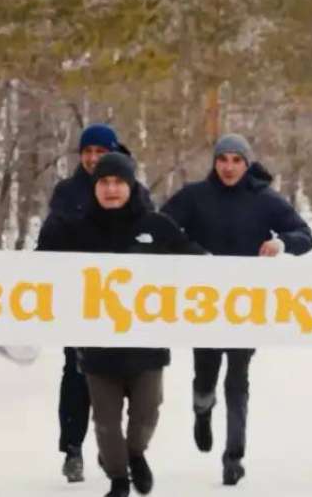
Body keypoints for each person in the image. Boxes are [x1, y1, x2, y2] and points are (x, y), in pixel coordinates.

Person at [38, 153, 202, 497]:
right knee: (106, 423)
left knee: (146, 415)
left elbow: (193, 260)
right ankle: (118, 479)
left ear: (131, 185)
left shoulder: (156, 226)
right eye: (104, 182)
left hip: (147, 345)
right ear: (95, 187)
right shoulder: (76, 228)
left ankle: (135, 455)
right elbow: (44, 266)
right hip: (97, 347)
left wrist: (215, 265)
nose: (111, 189)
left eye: (118, 182)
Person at [161, 134, 312, 486]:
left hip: (246, 306)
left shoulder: (264, 199)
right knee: (205, 375)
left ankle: (234, 456)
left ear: (247, 164)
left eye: (236, 160)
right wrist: (192, 252)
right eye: (223, 159)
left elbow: (305, 235)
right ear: (214, 162)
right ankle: (202, 411)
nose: (229, 167)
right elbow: (160, 227)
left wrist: (281, 242)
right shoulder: (195, 196)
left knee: (237, 378)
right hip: (203, 304)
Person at [46, 123, 153, 483]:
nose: (93, 158)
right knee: (77, 373)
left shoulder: (134, 190)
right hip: (78, 297)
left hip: (122, 301)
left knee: (118, 377)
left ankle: (113, 450)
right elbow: (50, 243)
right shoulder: (67, 192)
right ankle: (72, 448)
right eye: (87, 152)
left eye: (100, 152)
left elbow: (153, 239)